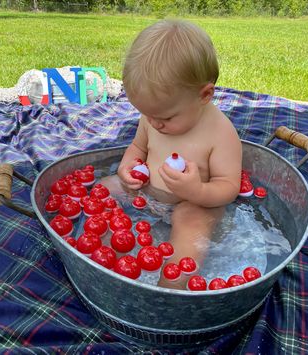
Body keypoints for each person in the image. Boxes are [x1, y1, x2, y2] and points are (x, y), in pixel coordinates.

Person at [103, 19, 242, 290]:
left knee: (192, 222)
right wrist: (127, 167)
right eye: (147, 114)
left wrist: (197, 191)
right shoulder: (153, 117)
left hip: (192, 203)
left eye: (165, 117)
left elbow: (229, 187)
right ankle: (109, 251)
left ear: (204, 95)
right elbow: (138, 148)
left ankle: (171, 288)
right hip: (146, 192)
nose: (154, 123)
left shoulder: (220, 133)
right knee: (102, 189)